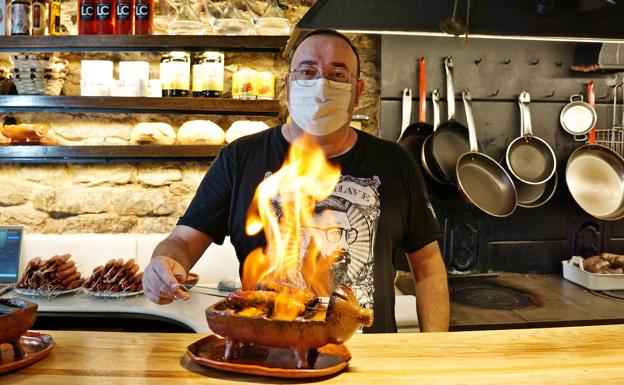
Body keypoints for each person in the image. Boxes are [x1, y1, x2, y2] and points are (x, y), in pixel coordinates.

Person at [143, 28, 450, 333]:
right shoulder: (239, 159)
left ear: (358, 91)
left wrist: (435, 352)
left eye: (337, 73)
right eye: (308, 71)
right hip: (267, 357)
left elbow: (427, 267)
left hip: (369, 364)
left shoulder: (395, 162)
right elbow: (182, 243)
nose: (321, 83)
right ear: (289, 85)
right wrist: (165, 264)